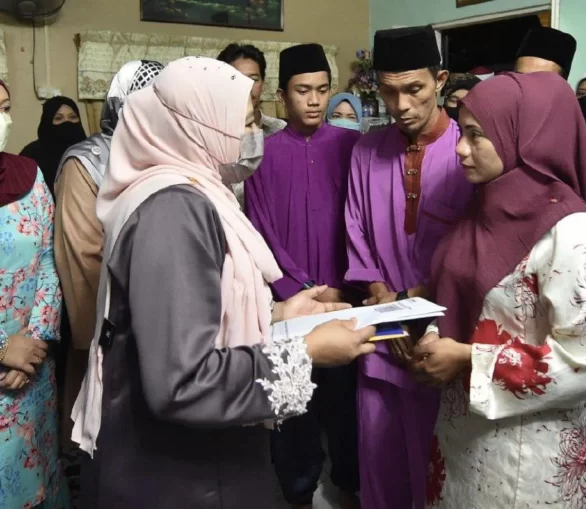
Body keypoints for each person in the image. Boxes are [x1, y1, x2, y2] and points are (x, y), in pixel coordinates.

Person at [70, 57, 375, 509]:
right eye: (247, 123)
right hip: (185, 475)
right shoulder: (174, 210)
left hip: (193, 462)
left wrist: (278, 314)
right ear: (201, 128)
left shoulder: (182, 187)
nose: (255, 136)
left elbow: (188, 314)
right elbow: (183, 381)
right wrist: (305, 351)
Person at [414, 71, 586, 509]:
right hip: (463, 434)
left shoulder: (571, 232)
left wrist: (467, 358)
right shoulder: (481, 208)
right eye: (461, 132)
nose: (460, 148)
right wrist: (433, 335)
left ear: (521, 137)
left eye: (476, 135)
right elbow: (456, 294)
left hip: (529, 449)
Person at [345, 25, 474, 509]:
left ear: (440, 80)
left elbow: (472, 251)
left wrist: (412, 311)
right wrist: (387, 312)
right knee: (380, 463)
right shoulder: (365, 150)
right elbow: (355, 233)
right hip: (380, 337)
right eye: (388, 91)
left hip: (440, 339)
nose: (401, 105)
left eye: (414, 89)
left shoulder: (468, 151)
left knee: (438, 467)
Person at [244, 43, 362, 509]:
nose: (314, 100)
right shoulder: (263, 155)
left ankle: (351, 485)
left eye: (322, 89)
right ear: (281, 95)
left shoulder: (352, 148)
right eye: (302, 90)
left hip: (344, 297)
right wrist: (299, 289)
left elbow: (361, 222)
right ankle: (298, 492)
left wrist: (343, 285)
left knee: (346, 402)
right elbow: (260, 230)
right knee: (293, 405)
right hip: (290, 304)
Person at [53, 60, 163, 448]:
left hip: (167, 325)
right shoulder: (87, 161)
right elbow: (82, 254)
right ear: (119, 104)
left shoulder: (168, 158)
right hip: (110, 327)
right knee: (108, 440)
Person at [0, 80, 71, 509]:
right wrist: (3, 348)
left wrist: (37, 341)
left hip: (33, 370)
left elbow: (48, 257)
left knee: (39, 474)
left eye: (5, 107)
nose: (2, 120)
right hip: (6, 363)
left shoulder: (27, 175)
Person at [513, 26, 586, 226]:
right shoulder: (494, 141)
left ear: (561, 87)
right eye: (519, 78)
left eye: (541, 80)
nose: (527, 88)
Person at [218, 44, 287, 210]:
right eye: (236, 78)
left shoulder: (280, 131)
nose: (247, 86)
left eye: (254, 79)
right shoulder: (211, 134)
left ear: (263, 83)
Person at [20, 95, 86, 193]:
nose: (67, 122)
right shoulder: (31, 155)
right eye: (59, 118)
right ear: (47, 122)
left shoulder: (90, 151)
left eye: (73, 117)